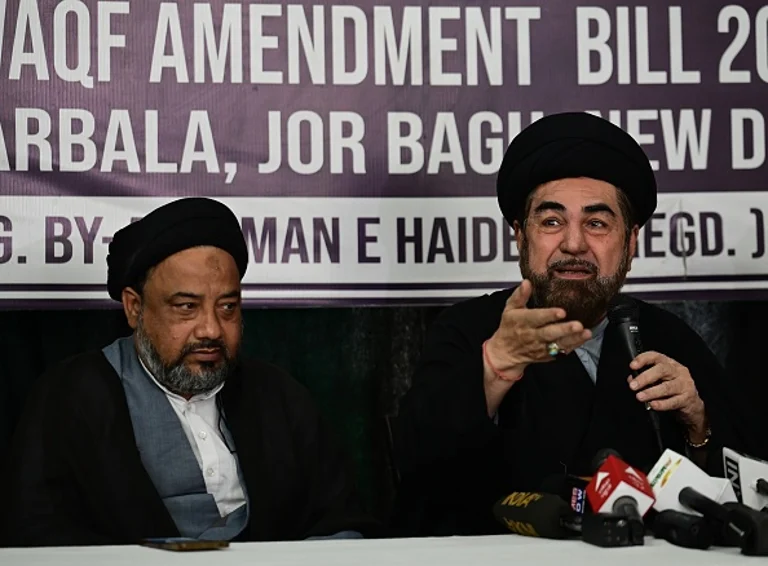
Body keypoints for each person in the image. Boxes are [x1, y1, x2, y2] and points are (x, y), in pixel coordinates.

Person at [391, 112, 759, 537]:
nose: (573, 242)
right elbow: (418, 469)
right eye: (551, 221)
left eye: (597, 223)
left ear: (631, 240)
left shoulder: (667, 337)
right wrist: (496, 365)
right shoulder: (467, 329)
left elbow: (743, 486)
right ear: (520, 234)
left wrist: (699, 422)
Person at [1, 198, 376, 546]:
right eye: (186, 307)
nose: (211, 329)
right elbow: (36, 533)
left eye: (227, 307)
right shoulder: (71, 398)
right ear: (134, 308)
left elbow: (340, 517)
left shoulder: (277, 395)